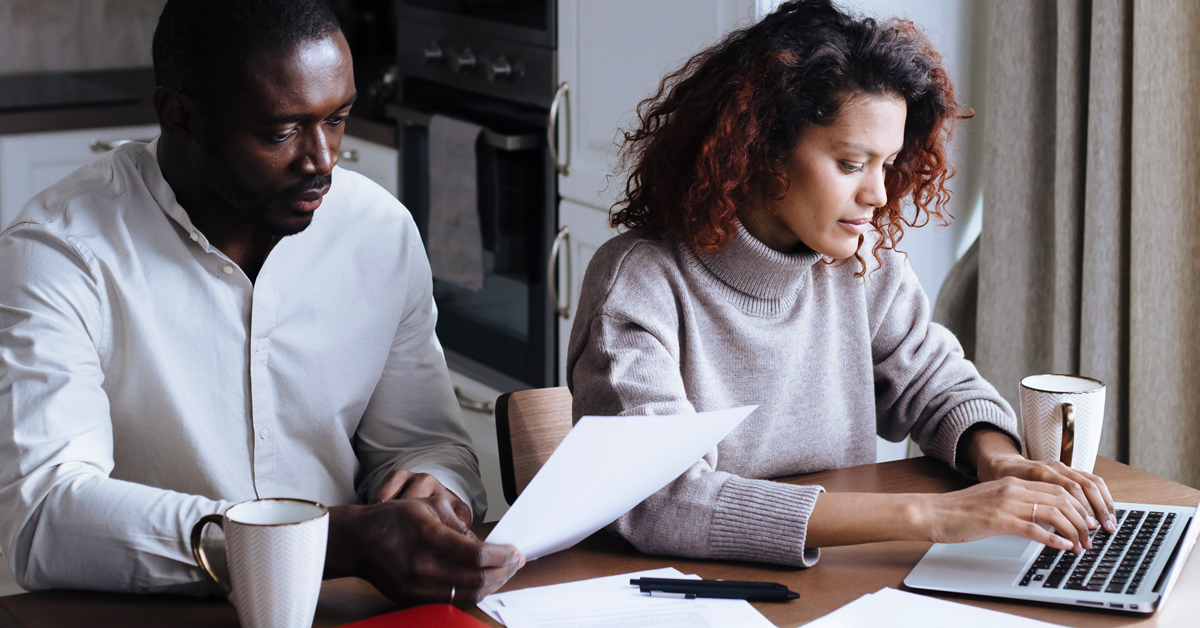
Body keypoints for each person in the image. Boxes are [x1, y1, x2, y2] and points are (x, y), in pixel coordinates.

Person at [0, 0, 522, 606]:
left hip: (348, 608)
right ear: (180, 116)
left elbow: (425, 442)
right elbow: (43, 517)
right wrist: (332, 540)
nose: (322, 160)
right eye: (282, 131)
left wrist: (433, 487)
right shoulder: (59, 252)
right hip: (139, 614)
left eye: (338, 119)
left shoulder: (377, 230)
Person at [567, 0, 1117, 568]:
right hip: (685, 590)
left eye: (889, 163)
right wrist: (937, 516)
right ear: (761, 149)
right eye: (853, 163)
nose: (878, 194)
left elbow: (936, 384)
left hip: (835, 581)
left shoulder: (863, 265)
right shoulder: (639, 283)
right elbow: (660, 498)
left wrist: (999, 461)